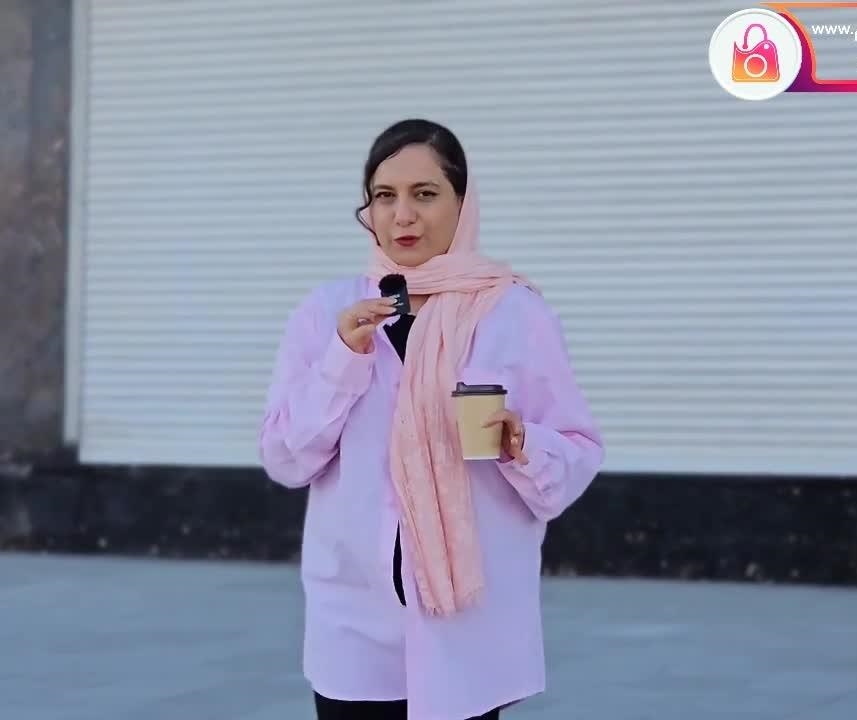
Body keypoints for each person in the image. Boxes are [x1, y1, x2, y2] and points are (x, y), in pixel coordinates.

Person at [258, 118, 605, 720]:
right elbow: (286, 458)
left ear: (462, 203)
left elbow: (576, 450)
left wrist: (523, 444)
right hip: (355, 619)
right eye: (384, 196)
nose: (403, 216)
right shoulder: (328, 313)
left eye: (425, 194)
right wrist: (343, 358)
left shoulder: (513, 313)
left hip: (467, 621)